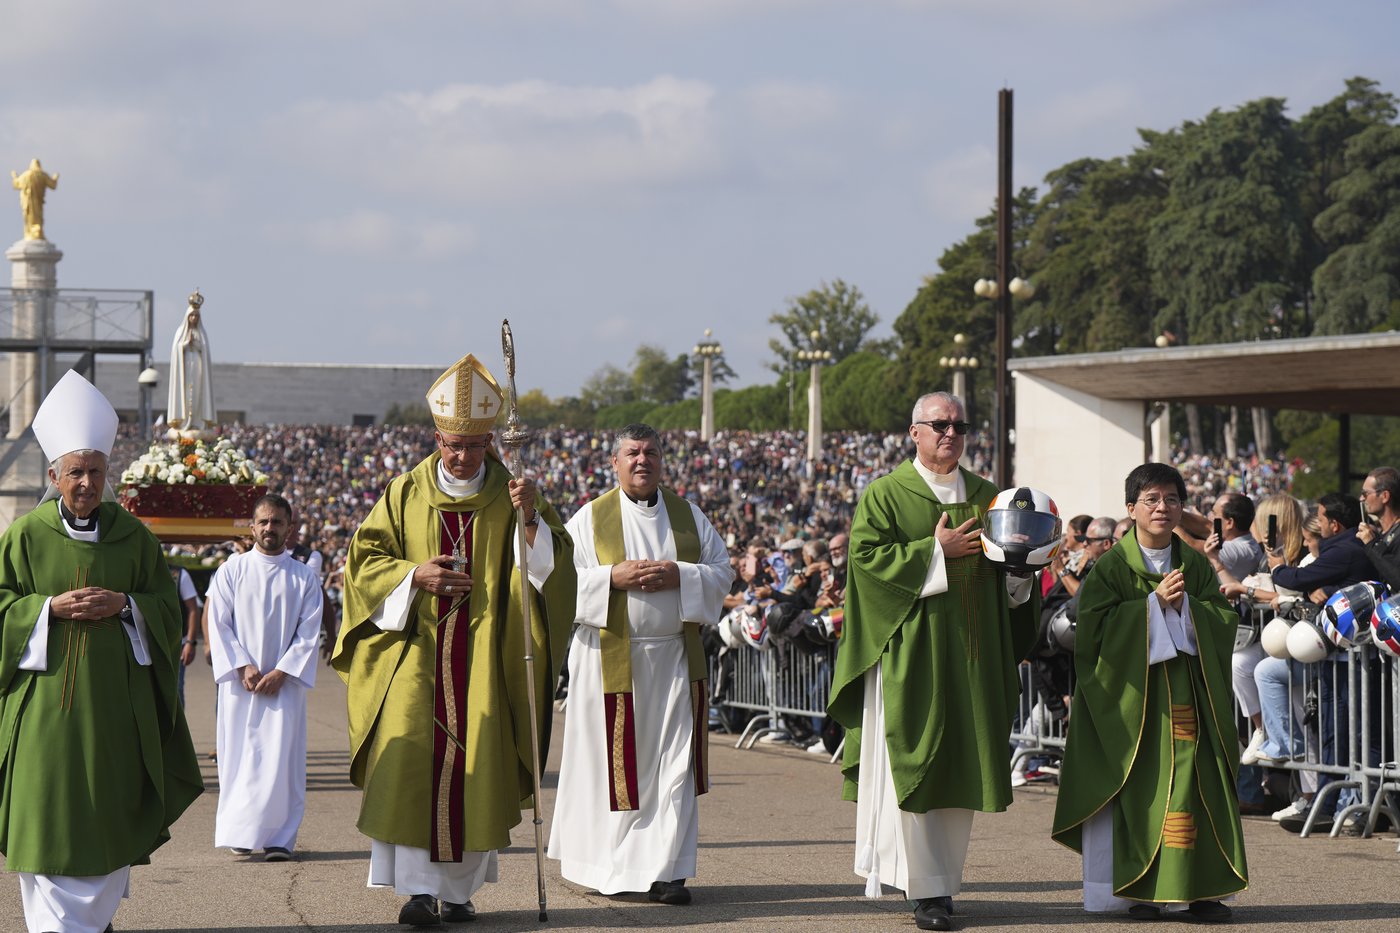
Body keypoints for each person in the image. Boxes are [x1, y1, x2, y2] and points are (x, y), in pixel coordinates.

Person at [332, 353, 576, 927]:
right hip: (415, 655)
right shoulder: (404, 492)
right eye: (452, 444)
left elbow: (552, 571)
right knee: (412, 760)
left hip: (486, 658)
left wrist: (533, 520)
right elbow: (363, 561)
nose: (462, 456)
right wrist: (415, 575)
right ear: (437, 436)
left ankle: (461, 892)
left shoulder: (514, 495)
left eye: (473, 445)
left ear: (488, 440)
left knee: (478, 765)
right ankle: (417, 892)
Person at [827, 391, 1039, 932]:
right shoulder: (886, 494)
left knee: (958, 768)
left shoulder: (992, 498)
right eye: (939, 424)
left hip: (971, 653)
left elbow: (1014, 586)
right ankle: (925, 892)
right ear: (914, 432)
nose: (950, 433)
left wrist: (1022, 570)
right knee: (914, 762)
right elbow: (866, 565)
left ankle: (943, 884)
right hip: (911, 654)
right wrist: (933, 552)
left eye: (958, 425)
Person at [0, 370, 202, 933]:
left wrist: (125, 604)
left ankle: (97, 918)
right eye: (75, 473)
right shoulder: (24, 536)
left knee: (107, 817)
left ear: (106, 472)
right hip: (43, 713)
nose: (86, 483)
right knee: (45, 821)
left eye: (94, 471)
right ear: (54, 476)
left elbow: (165, 605)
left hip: (115, 710)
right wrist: (46, 611)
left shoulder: (134, 538)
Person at [547, 424, 733, 904]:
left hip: (673, 658)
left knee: (673, 768)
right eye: (632, 453)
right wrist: (613, 576)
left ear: (662, 461)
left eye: (651, 452)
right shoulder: (589, 519)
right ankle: (611, 867)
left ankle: (668, 872)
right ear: (615, 462)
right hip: (609, 660)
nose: (642, 461)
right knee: (613, 770)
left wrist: (680, 573)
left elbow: (720, 571)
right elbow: (561, 582)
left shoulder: (689, 517)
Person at [1052, 463, 1246, 923]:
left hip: (1187, 696)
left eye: (1173, 499)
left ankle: (1194, 891)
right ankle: (1132, 892)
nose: (1163, 508)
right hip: (1131, 703)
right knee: (1136, 788)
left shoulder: (1195, 563)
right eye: (1152, 500)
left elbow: (1223, 621)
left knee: (1190, 787)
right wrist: (1151, 606)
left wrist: (1189, 610)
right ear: (1131, 508)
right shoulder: (1111, 568)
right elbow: (1092, 635)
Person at [206, 493, 324, 862]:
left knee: (280, 759)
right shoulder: (231, 570)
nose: (270, 528)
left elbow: (309, 631)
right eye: (264, 522)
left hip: (283, 687)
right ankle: (241, 832)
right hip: (242, 685)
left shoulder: (304, 576)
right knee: (238, 755)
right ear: (252, 526)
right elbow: (218, 621)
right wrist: (242, 665)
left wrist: (283, 671)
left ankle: (280, 838)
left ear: (290, 528)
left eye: (277, 522)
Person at [167, 290, 217, 437]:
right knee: (185, 394)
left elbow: (205, 351)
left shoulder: (202, 334)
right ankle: (184, 421)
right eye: (192, 315)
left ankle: (197, 420)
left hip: (198, 367)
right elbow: (176, 350)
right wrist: (185, 345)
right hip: (184, 367)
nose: (194, 318)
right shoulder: (180, 332)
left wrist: (197, 346)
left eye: (196, 316)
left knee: (196, 394)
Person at [1356, 466, 1400, 592]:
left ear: (1385, 496)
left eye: (1366, 493)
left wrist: (1372, 545)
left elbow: (1396, 578)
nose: (1361, 498)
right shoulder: (1381, 533)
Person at [173, 562, 201, 705]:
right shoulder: (139, 571)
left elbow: (193, 609)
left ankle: (177, 727)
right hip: (145, 642)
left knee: (175, 690)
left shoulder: (179, 574)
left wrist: (190, 642)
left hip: (177, 644)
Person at [11, 157, 58, 240]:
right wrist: (55, 177)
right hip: (38, 203)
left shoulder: (26, 175)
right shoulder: (42, 175)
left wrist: (14, 176)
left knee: (29, 218)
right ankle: (36, 232)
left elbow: (16, 184)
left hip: (28, 203)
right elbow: (53, 185)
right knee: (38, 217)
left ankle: (29, 232)